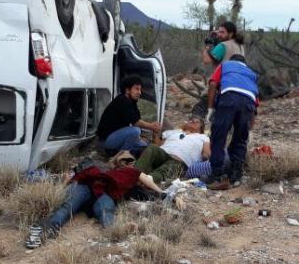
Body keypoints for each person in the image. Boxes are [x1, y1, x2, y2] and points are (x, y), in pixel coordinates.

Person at [25, 151, 162, 248]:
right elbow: (144, 177)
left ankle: (114, 230)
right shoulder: (119, 170)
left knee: (102, 210)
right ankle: (45, 229)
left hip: (98, 191)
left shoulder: (128, 174)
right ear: (117, 162)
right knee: (73, 207)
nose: (128, 163)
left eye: (130, 161)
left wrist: (160, 193)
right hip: (86, 187)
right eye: (126, 160)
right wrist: (161, 192)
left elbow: (144, 181)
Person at [205, 54, 259, 189]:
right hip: (248, 102)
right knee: (240, 139)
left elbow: (213, 83)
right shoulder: (251, 73)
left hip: (229, 97)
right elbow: (255, 100)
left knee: (219, 135)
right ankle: (236, 175)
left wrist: (210, 108)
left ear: (232, 61)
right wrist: (250, 124)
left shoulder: (225, 65)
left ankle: (217, 175)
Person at [96, 75, 161, 157]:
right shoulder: (122, 101)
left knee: (144, 145)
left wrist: (152, 127)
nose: (139, 92)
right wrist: (152, 126)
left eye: (140, 89)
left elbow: (138, 120)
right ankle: (121, 157)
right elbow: (136, 122)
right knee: (135, 131)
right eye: (136, 89)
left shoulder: (132, 102)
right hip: (106, 141)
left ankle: (119, 152)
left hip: (117, 137)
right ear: (127, 90)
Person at [135, 117, 211, 185]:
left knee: (159, 173)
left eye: (196, 122)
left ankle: (140, 182)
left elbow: (206, 154)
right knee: (152, 148)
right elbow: (158, 145)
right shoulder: (174, 132)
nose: (192, 121)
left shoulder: (203, 137)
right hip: (163, 154)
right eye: (190, 120)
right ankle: (133, 174)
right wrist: (155, 135)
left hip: (179, 161)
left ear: (201, 128)